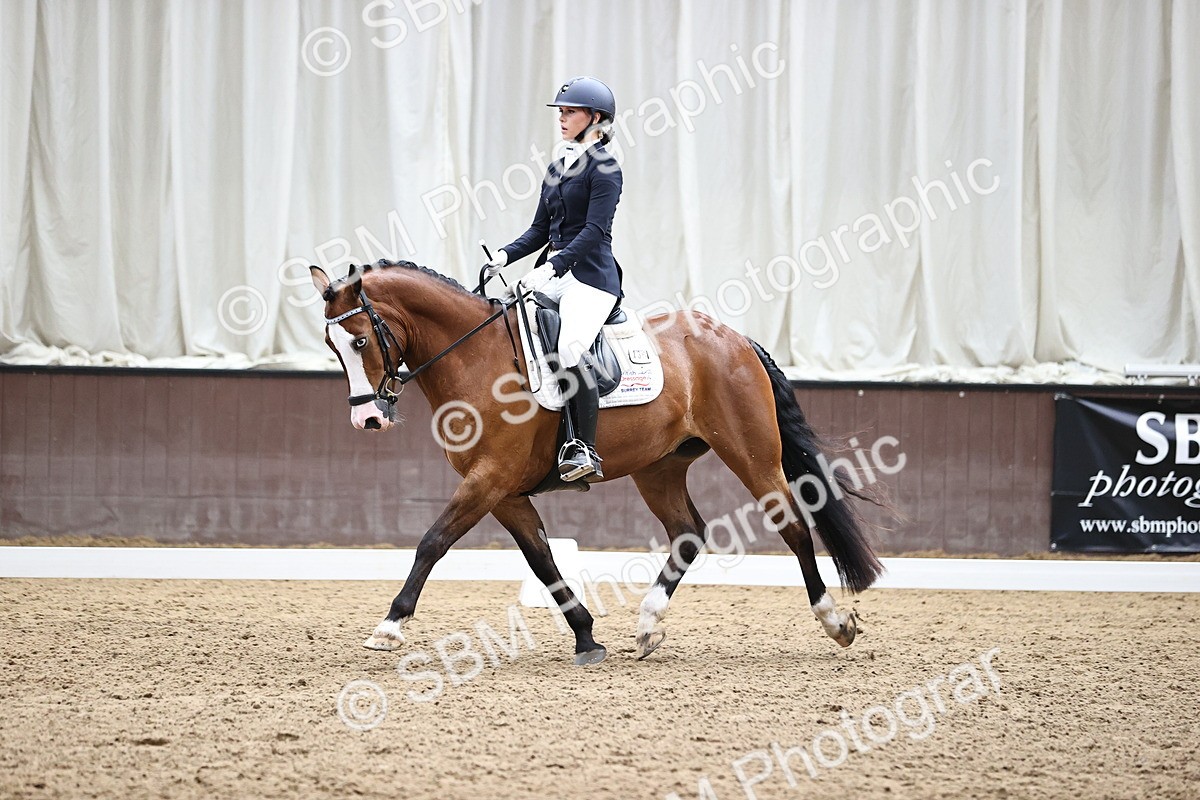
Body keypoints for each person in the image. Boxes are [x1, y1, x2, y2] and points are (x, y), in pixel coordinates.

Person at [486, 76, 623, 482]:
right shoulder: (557, 167)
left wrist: (552, 267)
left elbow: (594, 231)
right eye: (560, 112)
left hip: (591, 278)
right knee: (508, 327)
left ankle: (583, 448)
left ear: (594, 118)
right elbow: (539, 230)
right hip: (556, 271)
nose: (561, 119)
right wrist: (505, 256)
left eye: (570, 112)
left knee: (570, 348)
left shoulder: (606, 170)